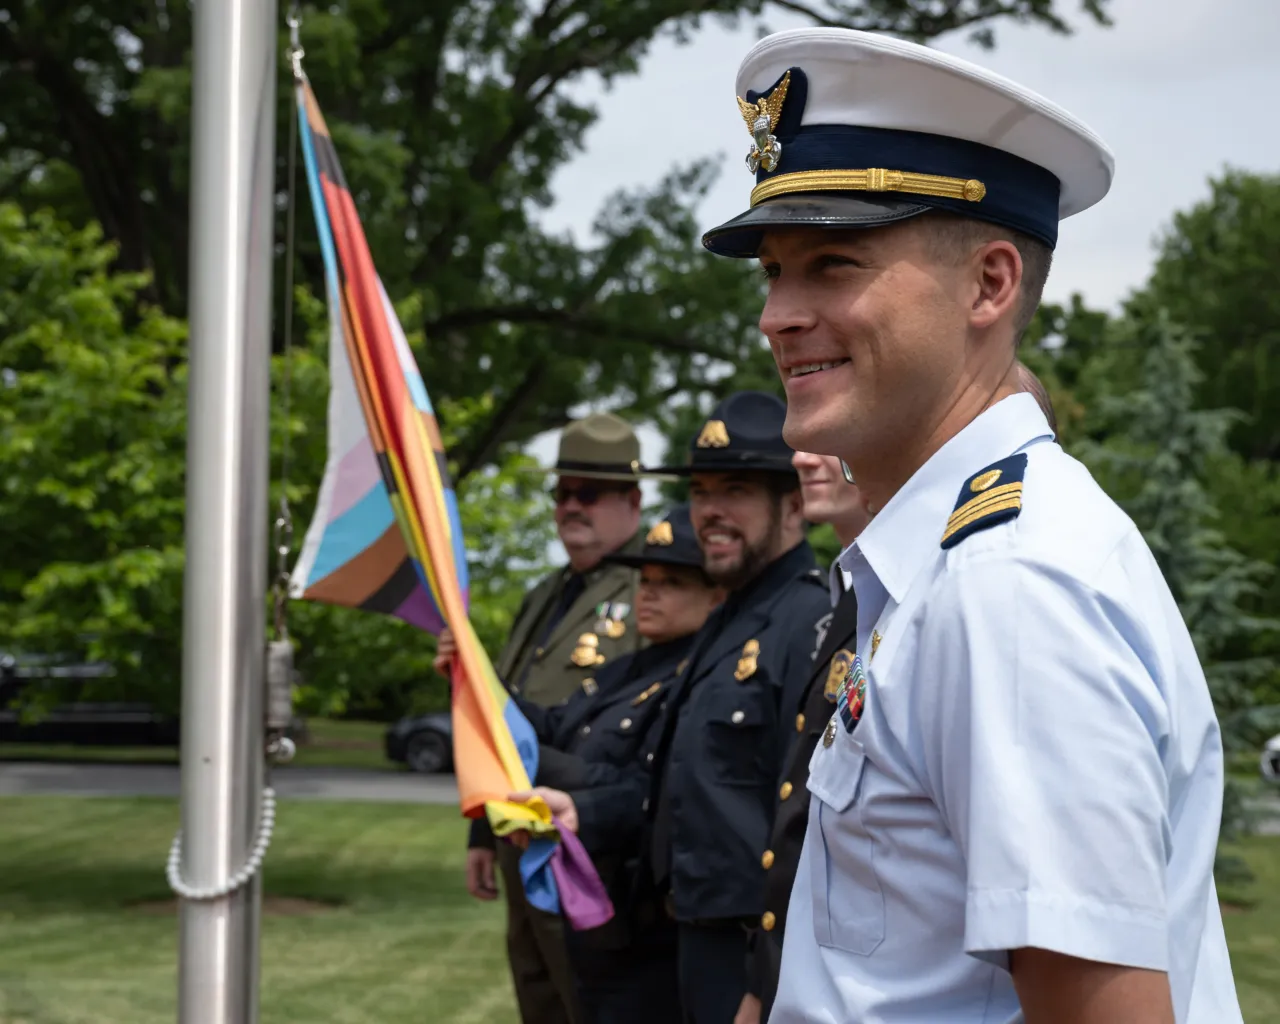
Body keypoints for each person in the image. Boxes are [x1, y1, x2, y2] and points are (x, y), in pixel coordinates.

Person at [700, 28, 1241, 1024]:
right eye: (772, 272)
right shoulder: (944, 563)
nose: (778, 313)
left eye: (830, 264)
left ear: (988, 284)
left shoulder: (1009, 587)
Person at [521, 391, 833, 1024]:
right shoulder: (729, 625)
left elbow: (814, 833)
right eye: (701, 492)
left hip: (748, 956)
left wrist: (765, 981)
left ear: (794, 502)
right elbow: (671, 786)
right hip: (678, 942)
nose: (710, 513)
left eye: (735, 491)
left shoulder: (808, 624)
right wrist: (584, 808)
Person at [444, 410, 647, 1024]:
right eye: (561, 493)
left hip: (590, 840)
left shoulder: (655, 588)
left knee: (590, 1001)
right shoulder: (546, 594)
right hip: (520, 830)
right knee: (539, 996)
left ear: (633, 501)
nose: (569, 507)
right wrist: (482, 831)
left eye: (588, 493)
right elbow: (503, 717)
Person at [515, 504, 725, 1024]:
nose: (648, 592)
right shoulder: (627, 669)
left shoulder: (699, 677)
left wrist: (553, 771)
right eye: (645, 579)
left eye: (671, 581)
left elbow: (648, 788)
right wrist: (474, 676)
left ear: (716, 595)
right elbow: (550, 724)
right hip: (597, 917)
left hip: (645, 922)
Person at [736, 449, 870, 1024]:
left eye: (836, 443)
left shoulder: (898, 599)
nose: (803, 457)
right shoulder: (850, 598)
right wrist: (760, 981)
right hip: (792, 964)